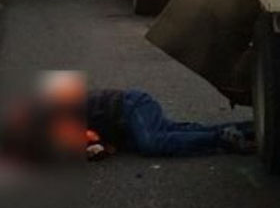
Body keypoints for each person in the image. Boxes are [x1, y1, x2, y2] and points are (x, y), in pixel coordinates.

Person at [0, 73, 254, 162]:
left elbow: (93, 142)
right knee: (174, 132)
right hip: (128, 117)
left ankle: (222, 138)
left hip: (130, 107)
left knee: (153, 144)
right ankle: (246, 129)